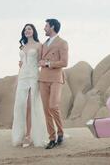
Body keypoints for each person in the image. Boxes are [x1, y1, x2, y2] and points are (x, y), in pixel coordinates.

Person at [12, 24, 48, 147]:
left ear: (33, 31)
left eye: (29, 29)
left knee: (31, 105)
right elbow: (21, 64)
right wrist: (17, 77)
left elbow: (40, 62)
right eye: (25, 29)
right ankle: (20, 134)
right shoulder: (23, 46)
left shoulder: (39, 45)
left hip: (33, 75)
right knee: (20, 105)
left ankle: (29, 135)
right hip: (22, 76)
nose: (27, 31)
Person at [39, 19, 69, 149]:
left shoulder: (62, 43)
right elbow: (39, 59)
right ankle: (52, 138)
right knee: (46, 110)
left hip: (56, 78)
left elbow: (64, 62)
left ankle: (61, 132)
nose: (44, 28)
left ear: (52, 27)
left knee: (53, 106)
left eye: (46, 26)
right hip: (43, 78)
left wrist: (48, 63)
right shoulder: (44, 44)